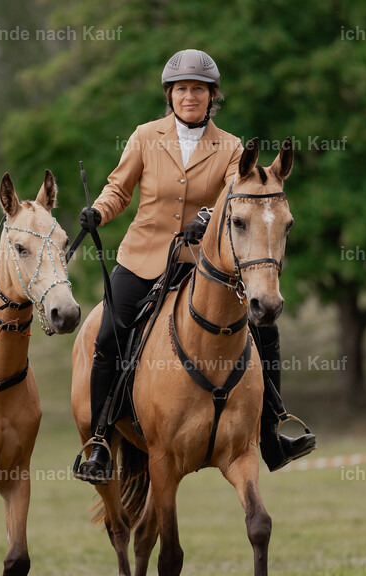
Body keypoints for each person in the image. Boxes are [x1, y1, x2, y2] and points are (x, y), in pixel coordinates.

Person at [74, 48, 315, 485]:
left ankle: (272, 433)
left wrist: (206, 219)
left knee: (266, 330)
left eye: (199, 90)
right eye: (182, 89)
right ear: (170, 94)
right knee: (109, 336)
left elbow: (235, 195)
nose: (190, 96)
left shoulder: (232, 147)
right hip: (144, 257)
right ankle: (101, 441)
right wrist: (98, 212)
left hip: (202, 262)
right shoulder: (145, 136)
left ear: (212, 96)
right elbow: (118, 189)